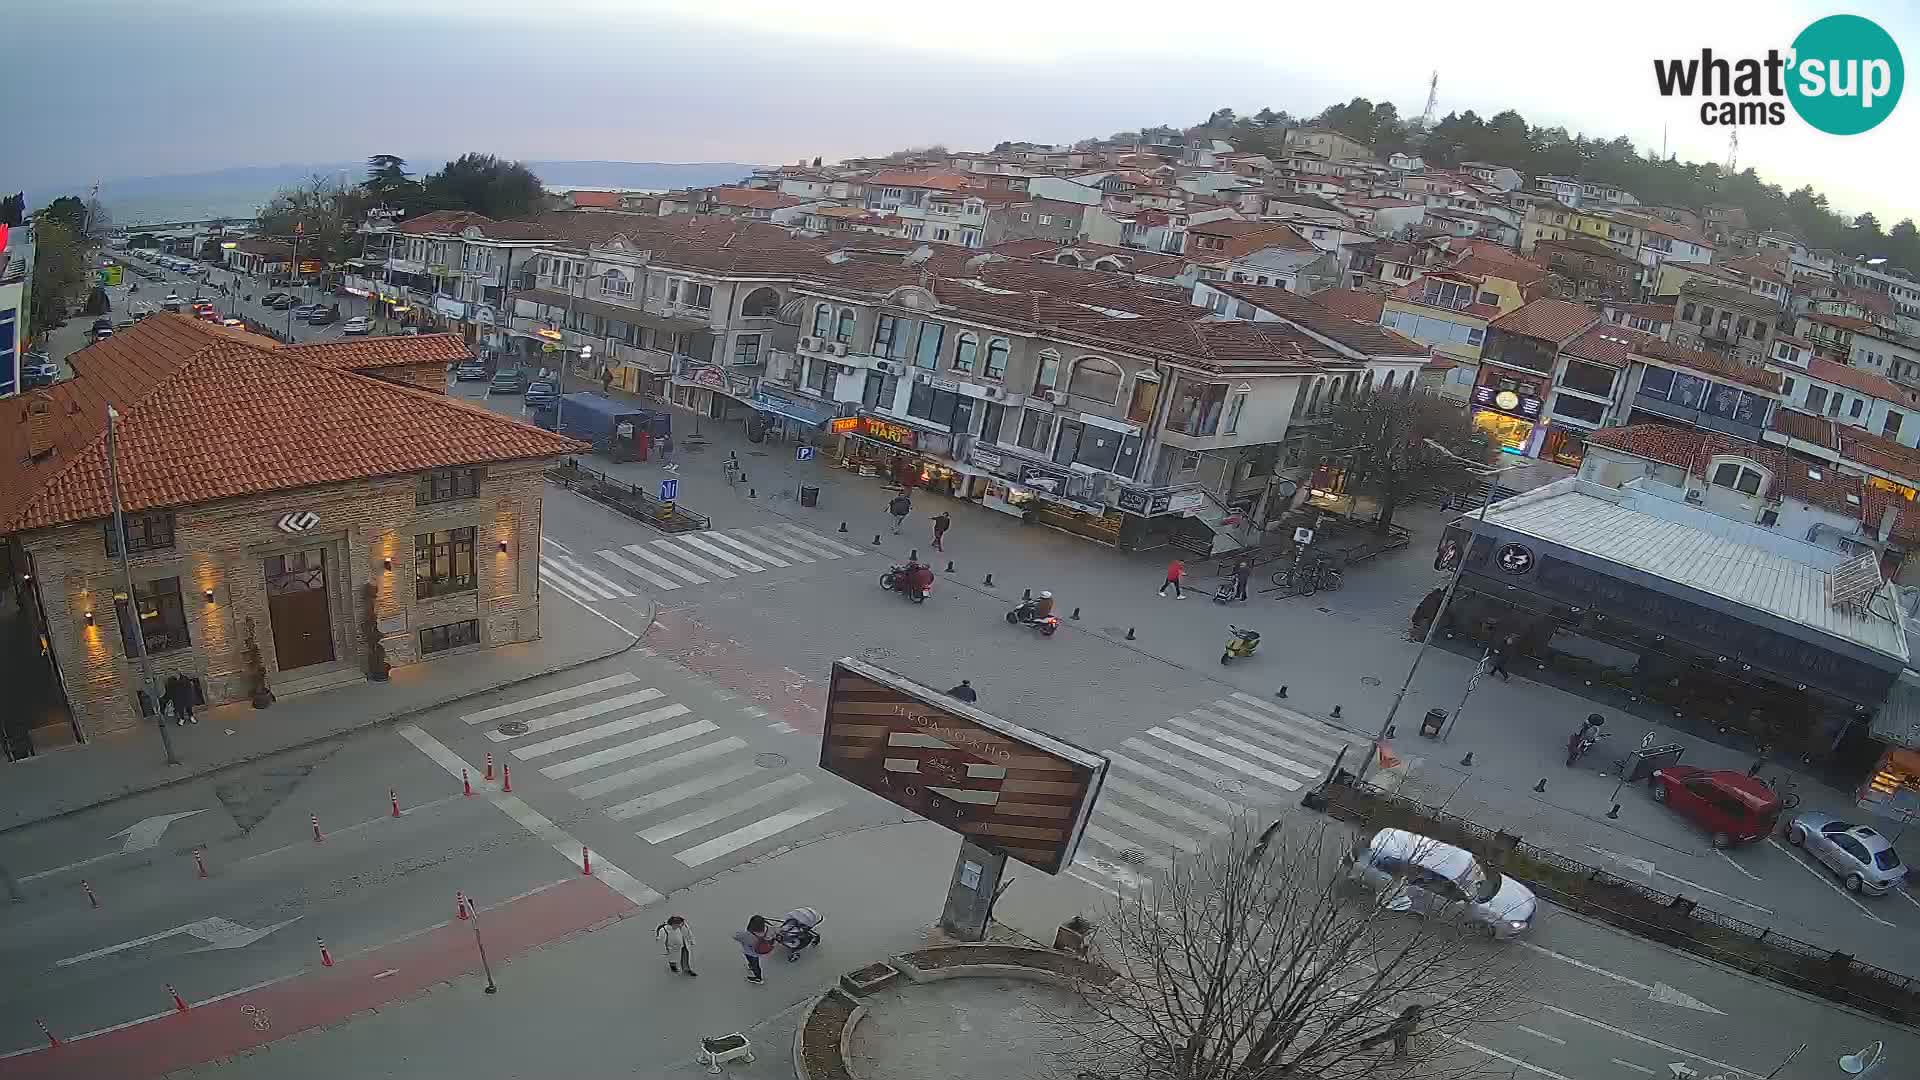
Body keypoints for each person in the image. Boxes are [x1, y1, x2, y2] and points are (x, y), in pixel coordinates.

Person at [733, 915, 771, 983]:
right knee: (755, 963)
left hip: (750, 953)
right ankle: (752, 967)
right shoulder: (767, 930)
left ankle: (758, 978)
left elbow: (736, 936)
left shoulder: (747, 935)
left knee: (755, 965)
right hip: (759, 951)